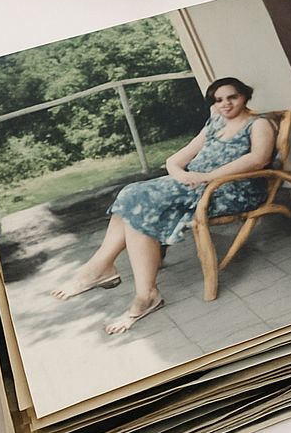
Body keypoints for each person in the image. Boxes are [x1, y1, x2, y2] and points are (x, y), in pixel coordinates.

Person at [49, 79, 276, 335]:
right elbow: (175, 159)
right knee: (132, 194)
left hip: (230, 190)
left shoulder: (258, 124)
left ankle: (109, 275)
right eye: (218, 100)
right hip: (195, 185)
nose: (225, 104)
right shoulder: (215, 124)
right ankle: (136, 289)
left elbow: (258, 160)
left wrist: (204, 178)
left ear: (245, 96)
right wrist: (180, 175)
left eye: (232, 97)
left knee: (140, 201)